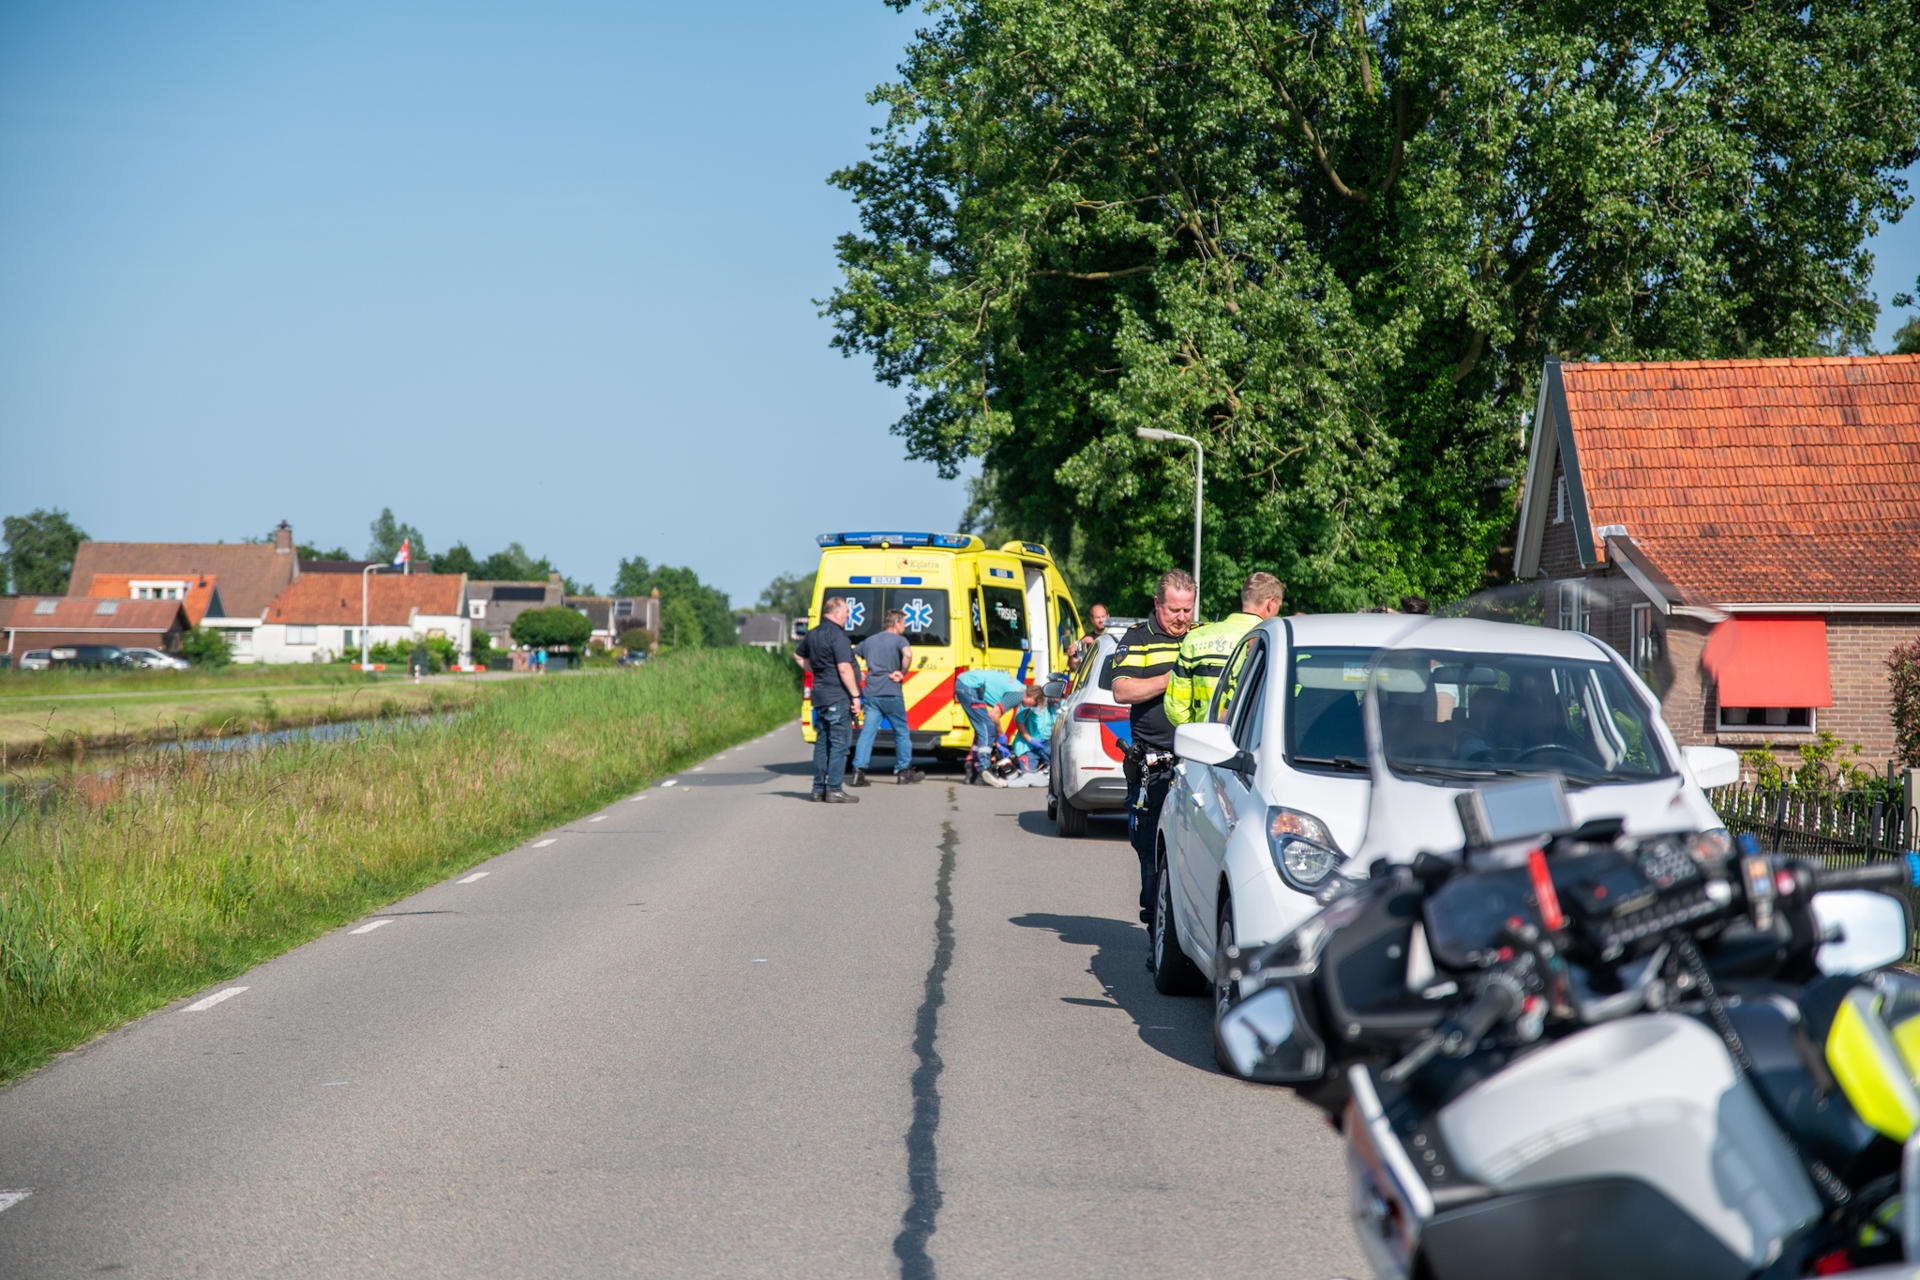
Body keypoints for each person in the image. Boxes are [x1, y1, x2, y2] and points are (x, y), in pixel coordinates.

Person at [1110, 570, 1196, 922]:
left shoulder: (1201, 636)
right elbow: (1122, 690)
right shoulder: (1138, 638)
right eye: (1174, 610)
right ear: (1157, 604)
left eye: (1187, 610)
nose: (1181, 618)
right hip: (1154, 766)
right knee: (1151, 850)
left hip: (1196, 761)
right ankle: (1155, 930)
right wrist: (1170, 678)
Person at [1164, 572, 1285, 726]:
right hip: (1252, 743)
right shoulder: (1272, 641)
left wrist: (1199, 730)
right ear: (1270, 603)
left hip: (1203, 742)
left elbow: (1176, 708)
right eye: (1278, 607)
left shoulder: (1196, 639)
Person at [794, 597, 863, 803]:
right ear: (835, 613)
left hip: (821, 696)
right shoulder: (838, 636)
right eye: (846, 612)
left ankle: (818, 789)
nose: (848, 615)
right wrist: (855, 696)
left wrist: (819, 672)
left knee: (822, 744)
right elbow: (844, 668)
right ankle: (834, 789)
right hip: (837, 696)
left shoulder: (812, 634)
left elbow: (798, 656)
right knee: (839, 745)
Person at [849, 609, 926, 786]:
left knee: (867, 733)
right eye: (904, 623)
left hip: (872, 694)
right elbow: (907, 654)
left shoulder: (870, 640)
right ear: (897, 623)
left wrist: (858, 671)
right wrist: (902, 672)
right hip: (892, 693)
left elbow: (851, 654)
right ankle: (902, 771)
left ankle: (858, 772)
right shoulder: (900, 640)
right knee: (901, 732)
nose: (904, 627)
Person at [952, 666, 1027, 787]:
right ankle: (983, 770)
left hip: (964, 684)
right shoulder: (1019, 694)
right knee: (987, 728)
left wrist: (999, 738)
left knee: (981, 729)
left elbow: (995, 715)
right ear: (1032, 698)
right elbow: (994, 715)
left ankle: (972, 769)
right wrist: (1001, 735)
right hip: (970, 686)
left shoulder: (1017, 688)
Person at [1010, 684, 1055, 771]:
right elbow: (1019, 721)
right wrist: (1030, 740)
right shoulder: (1031, 705)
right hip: (1028, 747)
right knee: (1028, 775)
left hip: (1046, 745)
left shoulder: (1056, 705)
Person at [1069, 602, 1111, 667]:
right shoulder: (1086, 640)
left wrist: (1094, 645)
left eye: (1103, 617)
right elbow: (1073, 667)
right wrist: (1072, 655)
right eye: (1097, 617)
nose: (1101, 620)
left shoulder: (1115, 636)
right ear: (1091, 619)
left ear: (1108, 616)